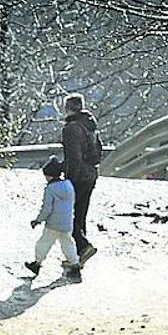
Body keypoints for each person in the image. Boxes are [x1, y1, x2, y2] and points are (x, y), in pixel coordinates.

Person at [60, 92, 103, 264]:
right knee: (80, 215)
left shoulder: (71, 128)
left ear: (68, 108)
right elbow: (98, 150)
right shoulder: (90, 125)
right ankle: (78, 256)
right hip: (91, 174)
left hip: (78, 176)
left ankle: (83, 246)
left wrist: (69, 179)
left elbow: (74, 157)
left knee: (66, 216)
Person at [25, 157, 80, 278]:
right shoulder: (69, 184)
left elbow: (47, 209)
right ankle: (75, 264)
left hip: (53, 224)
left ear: (50, 175)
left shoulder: (50, 189)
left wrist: (38, 220)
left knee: (43, 243)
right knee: (68, 244)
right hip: (67, 223)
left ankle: (37, 264)